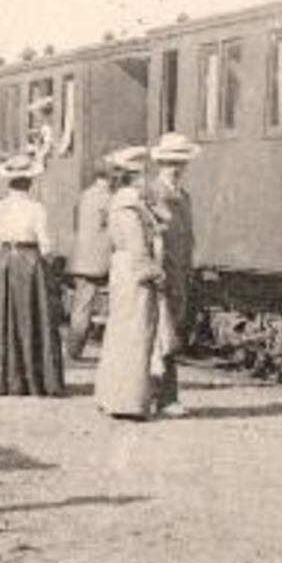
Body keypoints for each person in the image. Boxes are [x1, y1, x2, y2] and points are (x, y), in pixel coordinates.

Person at [0, 151, 66, 396]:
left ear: (8, 181)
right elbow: (46, 245)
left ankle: (0, 379)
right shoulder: (37, 209)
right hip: (30, 263)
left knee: (2, 318)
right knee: (32, 319)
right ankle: (33, 380)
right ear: (30, 182)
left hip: (2, 264)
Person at [94, 147, 163, 419]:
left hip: (123, 270)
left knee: (121, 332)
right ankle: (129, 402)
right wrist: (156, 272)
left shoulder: (121, 203)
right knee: (136, 333)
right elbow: (137, 246)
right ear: (137, 175)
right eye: (145, 173)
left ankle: (111, 396)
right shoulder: (129, 207)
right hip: (134, 273)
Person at [146, 132, 201, 418]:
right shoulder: (153, 193)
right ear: (161, 163)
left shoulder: (184, 196)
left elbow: (187, 235)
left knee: (170, 334)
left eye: (181, 162)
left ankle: (160, 396)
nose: (176, 167)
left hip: (179, 273)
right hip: (161, 273)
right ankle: (163, 398)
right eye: (171, 162)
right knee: (161, 335)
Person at [66, 161, 116, 361]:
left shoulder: (85, 196)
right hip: (104, 260)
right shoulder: (111, 199)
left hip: (82, 259)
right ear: (110, 177)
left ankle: (73, 350)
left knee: (81, 308)